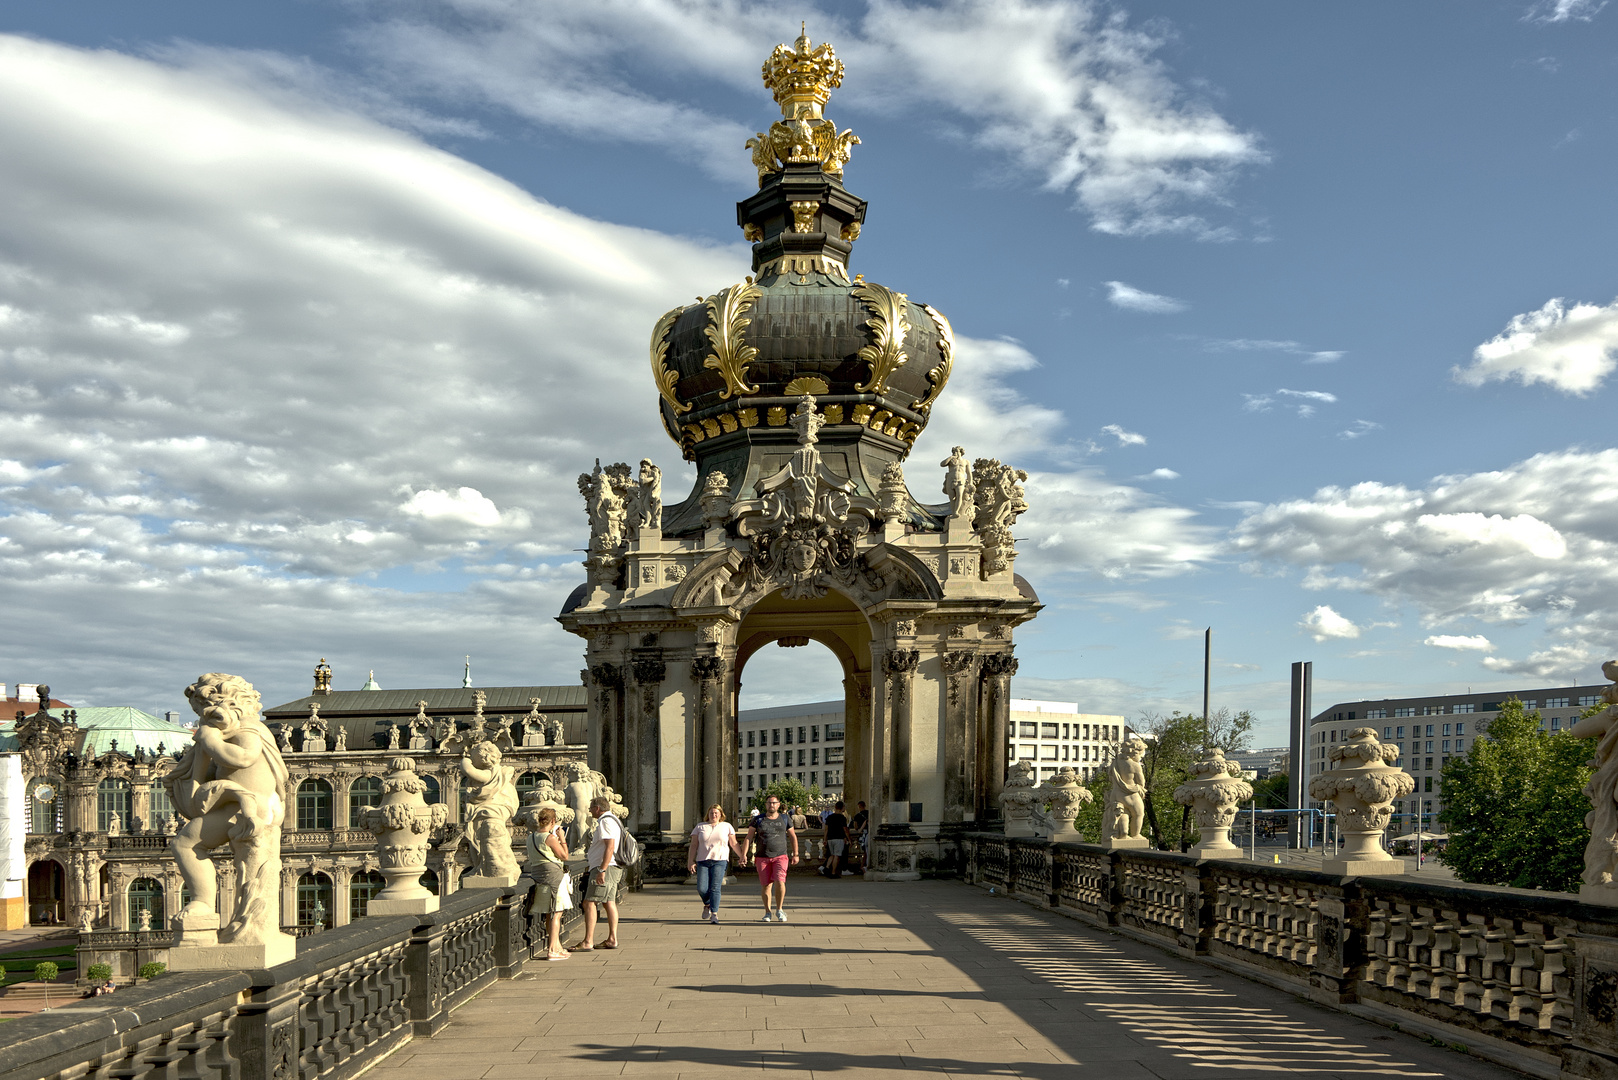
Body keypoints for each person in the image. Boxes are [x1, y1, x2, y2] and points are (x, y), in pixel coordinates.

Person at [570, 796, 621, 951]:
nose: (590, 810)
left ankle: (588, 941)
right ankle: (612, 939)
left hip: (605, 867)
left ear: (598, 808)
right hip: (613, 867)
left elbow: (610, 846)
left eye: (591, 807)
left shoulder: (605, 821)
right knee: (608, 902)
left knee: (589, 902)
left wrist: (601, 870)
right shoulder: (614, 820)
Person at [524, 806, 573, 960]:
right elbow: (564, 856)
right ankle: (552, 950)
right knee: (557, 913)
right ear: (553, 821)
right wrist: (562, 838)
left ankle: (557, 945)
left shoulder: (530, 837)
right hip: (553, 876)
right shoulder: (550, 838)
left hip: (538, 874)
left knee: (548, 913)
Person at [744, 795, 799, 922]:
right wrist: (743, 855)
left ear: (779, 805)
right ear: (766, 804)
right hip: (762, 857)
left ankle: (779, 909)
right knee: (766, 885)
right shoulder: (758, 819)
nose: (771, 805)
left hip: (780, 855)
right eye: (769, 803)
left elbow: (792, 836)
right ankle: (767, 912)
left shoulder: (785, 818)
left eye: (774, 803)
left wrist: (795, 853)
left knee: (780, 881)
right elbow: (749, 837)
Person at [687, 804, 743, 924]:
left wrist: (742, 856)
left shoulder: (726, 826)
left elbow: (733, 843)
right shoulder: (700, 826)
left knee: (715, 887)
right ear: (708, 814)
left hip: (720, 860)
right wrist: (690, 861)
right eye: (712, 813)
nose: (714, 815)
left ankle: (714, 914)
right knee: (701, 888)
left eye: (716, 813)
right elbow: (693, 845)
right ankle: (707, 904)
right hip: (703, 860)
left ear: (721, 815)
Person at [819, 801, 850, 878]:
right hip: (838, 838)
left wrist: (825, 839)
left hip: (830, 838)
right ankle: (833, 872)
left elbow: (826, 830)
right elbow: (845, 830)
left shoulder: (829, 817)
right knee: (837, 855)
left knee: (831, 855)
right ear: (842, 808)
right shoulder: (842, 817)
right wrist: (849, 839)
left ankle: (826, 867)